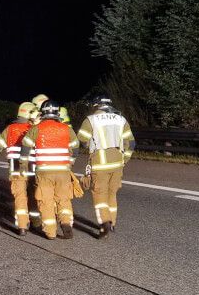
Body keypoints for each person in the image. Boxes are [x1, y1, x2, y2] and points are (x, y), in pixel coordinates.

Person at [19, 100, 79, 239]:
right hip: (63, 171)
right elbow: (75, 147)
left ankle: (51, 232)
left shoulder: (36, 129)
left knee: (46, 201)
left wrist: (22, 166)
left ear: (43, 113)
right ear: (57, 113)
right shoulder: (66, 128)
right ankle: (66, 223)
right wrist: (70, 163)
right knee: (63, 199)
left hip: (44, 172)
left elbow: (25, 148)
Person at [77, 96, 135, 238]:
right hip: (117, 164)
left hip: (100, 164)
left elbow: (82, 138)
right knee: (112, 194)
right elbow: (131, 143)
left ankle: (105, 223)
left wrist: (89, 145)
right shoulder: (121, 119)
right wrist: (124, 159)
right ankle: (113, 222)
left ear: (96, 106)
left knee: (100, 195)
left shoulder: (91, 120)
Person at [0, 102, 36, 234]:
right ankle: (36, 223)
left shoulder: (10, 129)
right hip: (32, 168)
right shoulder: (34, 128)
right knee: (33, 196)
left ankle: (22, 226)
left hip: (16, 168)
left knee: (20, 196)